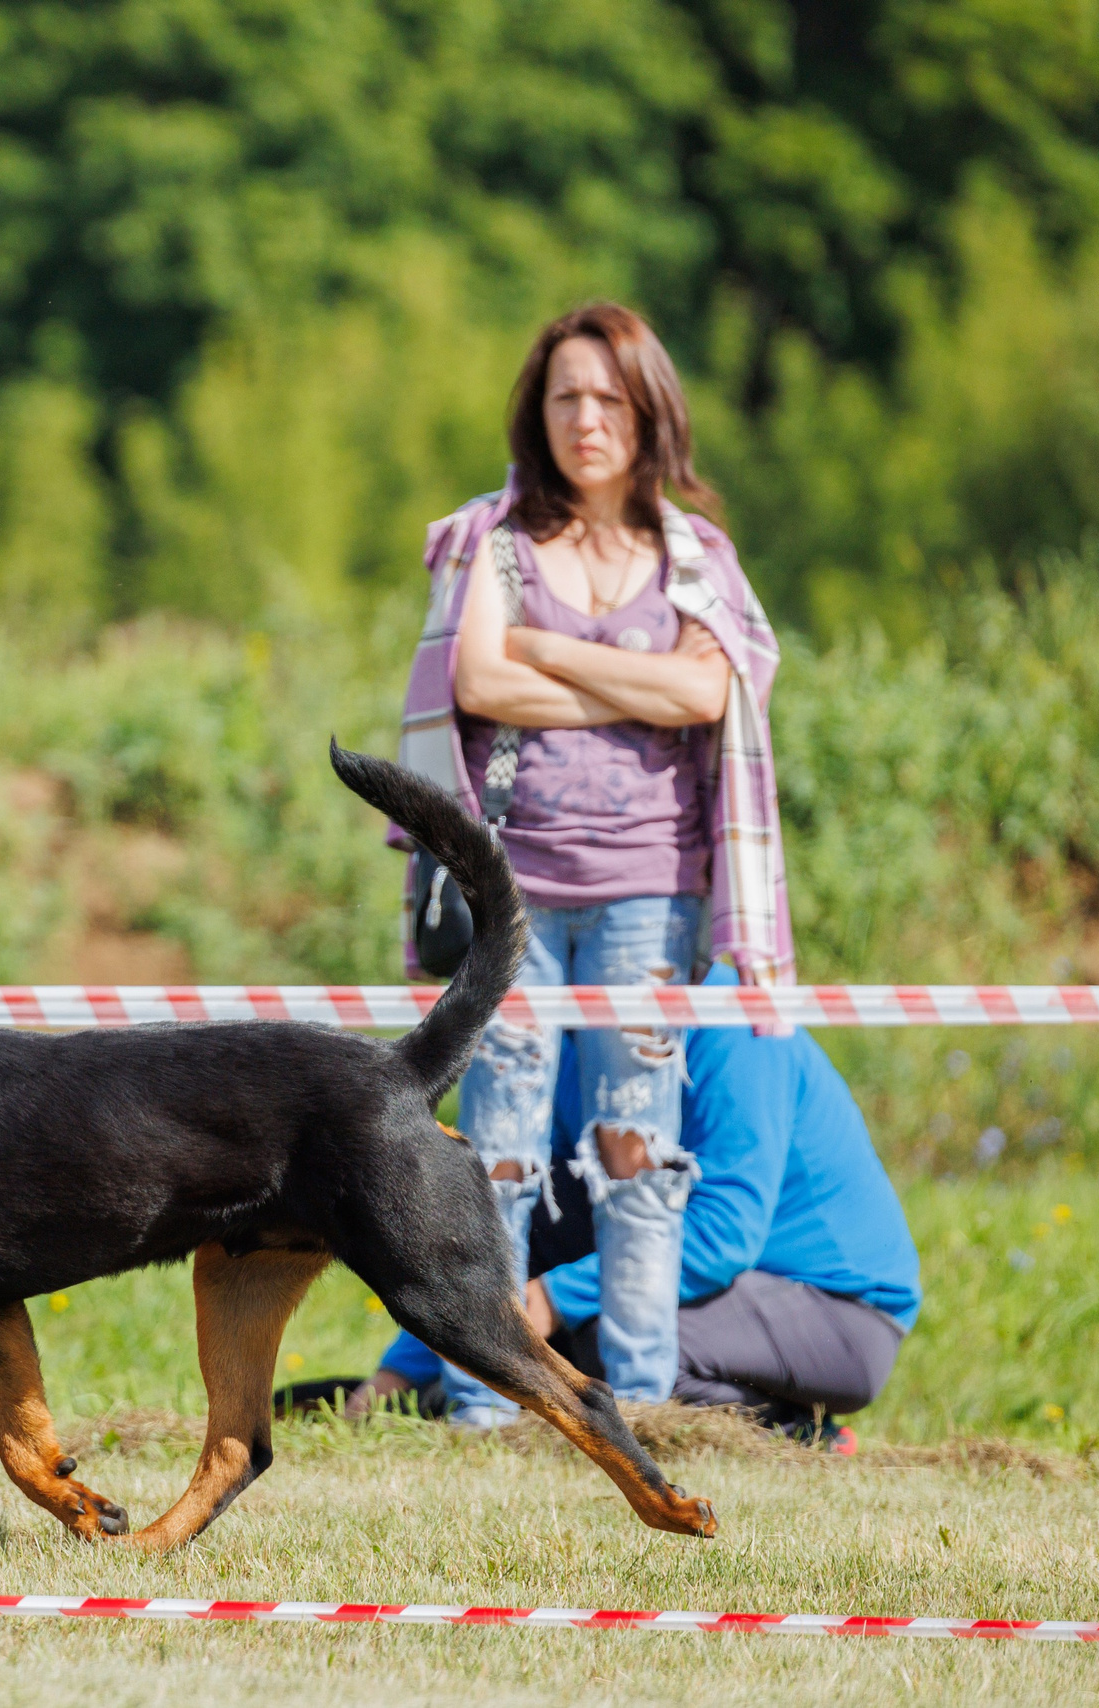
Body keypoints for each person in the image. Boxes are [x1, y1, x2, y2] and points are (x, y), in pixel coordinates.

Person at [392, 303, 792, 1429]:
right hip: (508, 889)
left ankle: (643, 1402)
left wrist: (551, 653)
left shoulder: (694, 555)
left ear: (647, 410)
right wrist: (636, 673)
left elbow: (709, 692)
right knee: (498, 1152)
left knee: (639, 1148)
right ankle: (484, 1403)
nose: (586, 418)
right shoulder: (494, 540)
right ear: (538, 411)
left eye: (608, 397)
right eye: (566, 395)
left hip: (653, 888)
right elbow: (476, 682)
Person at [355, 965, 921, 1443]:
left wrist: (552, 1299)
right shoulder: (574, 1032)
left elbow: (725, 1230)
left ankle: (795, 1432)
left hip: (840, 1310)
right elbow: (532, 1222)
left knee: (605, 1343)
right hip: (717, 1287)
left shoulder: (733, 1024)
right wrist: (402, 1369)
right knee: (566, 1330)